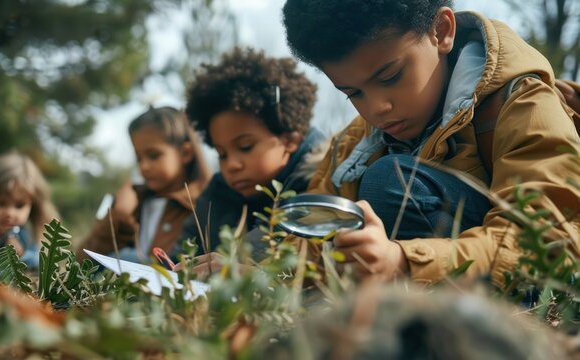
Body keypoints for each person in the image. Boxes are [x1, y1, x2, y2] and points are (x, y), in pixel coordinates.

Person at [281, 0, 580, 287]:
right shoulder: (358, 139)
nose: (376, 109)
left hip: (524, 283)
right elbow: (306, 241)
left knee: (390, 183)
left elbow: (550, 242)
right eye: (354, 94)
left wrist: (404, 262)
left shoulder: (524, 103)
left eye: (390, 77)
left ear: (441, 31)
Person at [177, 47, 326, 258]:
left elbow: (287, 253)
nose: (232, 165)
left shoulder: (322, 180)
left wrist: (232, 265)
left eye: (245, 147)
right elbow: (180, 254)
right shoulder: (216, 195)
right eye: (222, 154)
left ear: (290, 139)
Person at [77, 106, 211, 263]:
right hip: (121, 286)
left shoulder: (202, 205)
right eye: (138, 158)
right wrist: (119, 216)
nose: (144, 166)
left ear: (185, 153)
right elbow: (81, 262)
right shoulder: (133, 202)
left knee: (129, 258)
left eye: (154, 156)